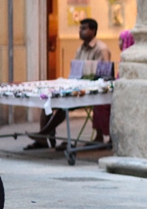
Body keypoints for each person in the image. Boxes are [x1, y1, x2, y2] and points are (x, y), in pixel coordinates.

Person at [25, 18, 111, 150]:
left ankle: (44, 134)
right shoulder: (80, 49)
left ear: (92, 31)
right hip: (77, 85)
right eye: (80, 28)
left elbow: (102, 73)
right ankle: (43, 138)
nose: (80, 31)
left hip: (90, 90)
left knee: (64, 105)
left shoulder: (101, 49)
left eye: (84, 28)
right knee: (47, 100)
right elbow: (77, 70)